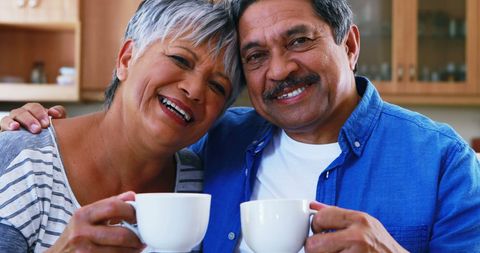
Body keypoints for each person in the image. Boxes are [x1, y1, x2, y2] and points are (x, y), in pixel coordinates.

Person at [2, 0, 480, 252]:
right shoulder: (217, 140)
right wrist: (27, 126)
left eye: (299, 40)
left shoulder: (444, 161)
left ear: (349, 44)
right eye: (255, 56)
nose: (279, 70)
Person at [0, 0, 242, 252]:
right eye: (181, 60)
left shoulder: (202, 185)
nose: (194, 90)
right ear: (126, 59)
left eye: (217, 86)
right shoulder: (24, 159)